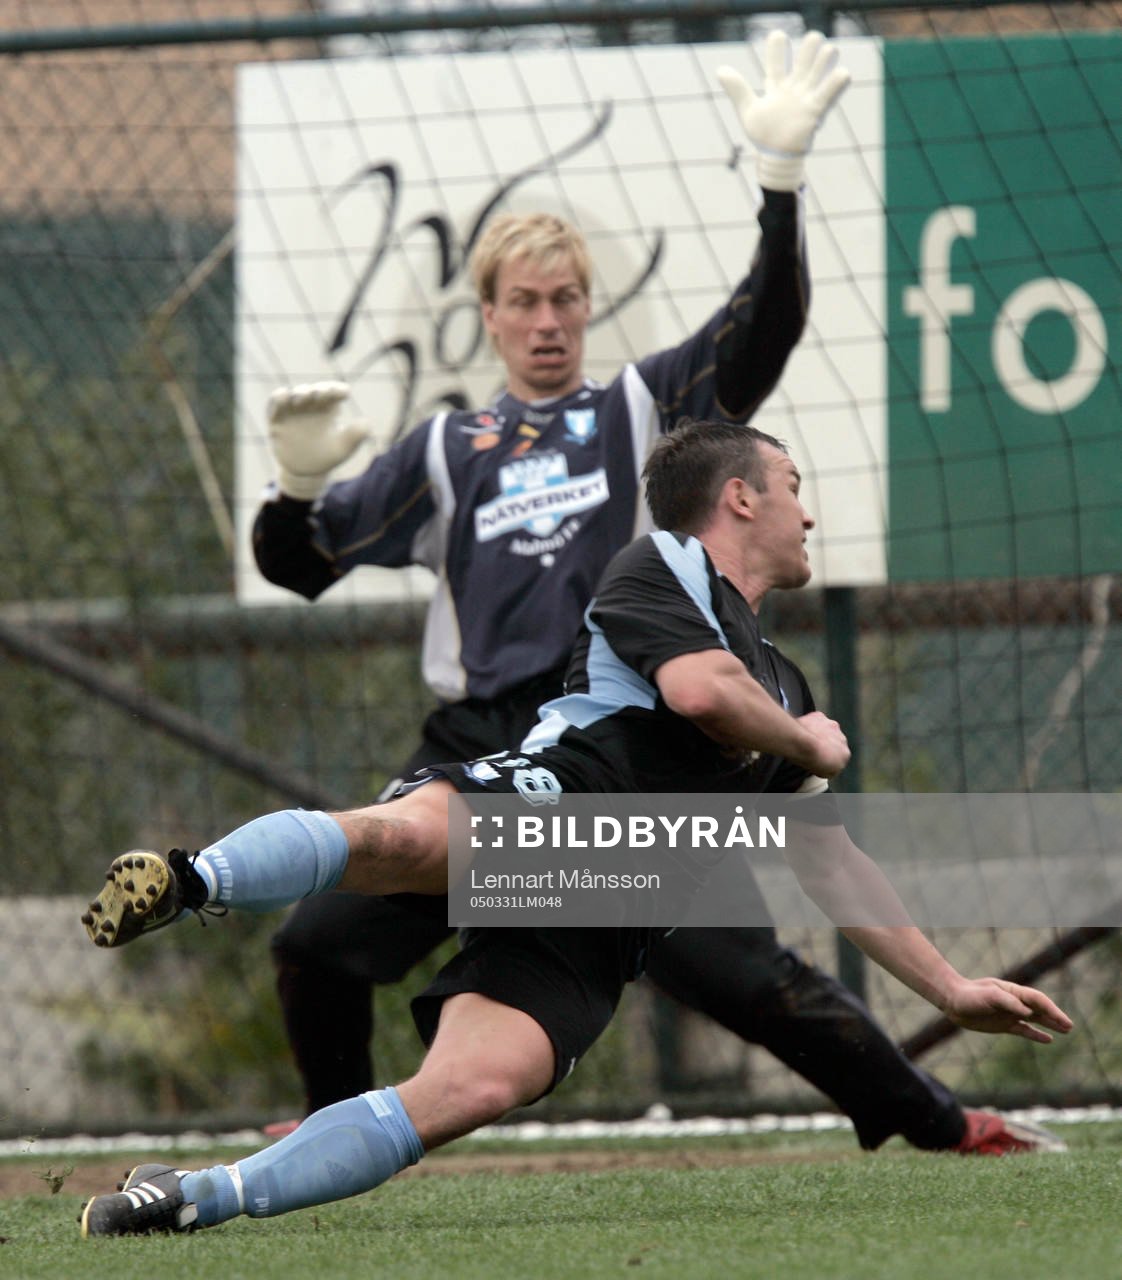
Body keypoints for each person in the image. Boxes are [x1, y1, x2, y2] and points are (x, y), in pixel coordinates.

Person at [251, 29, 1053, 1156]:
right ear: (486, 312)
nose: (547, 320)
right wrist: (292, 488)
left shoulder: (633, 408)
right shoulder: (446, 447)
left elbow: (756, 335)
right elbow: (299, 566)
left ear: (587, 307)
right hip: (489, 742)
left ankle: (937, 1121)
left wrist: (778, 188)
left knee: (749, 975)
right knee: (318, 941)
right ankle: (327, 1135)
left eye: (566, 298)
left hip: (620, 750)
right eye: (524, 300)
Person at [78, 418, 1073, 1237]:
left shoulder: (790, 687)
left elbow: (832, 863)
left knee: (471, 1086)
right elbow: (699, 690)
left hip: (605, 914)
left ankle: (196, 1193)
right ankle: (190, 879)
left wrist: (953, 985)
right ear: (740, 498)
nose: (808, 510)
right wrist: (814, 749)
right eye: (792, 484)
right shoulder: (669, 561)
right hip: (558, 799)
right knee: (399, 842)